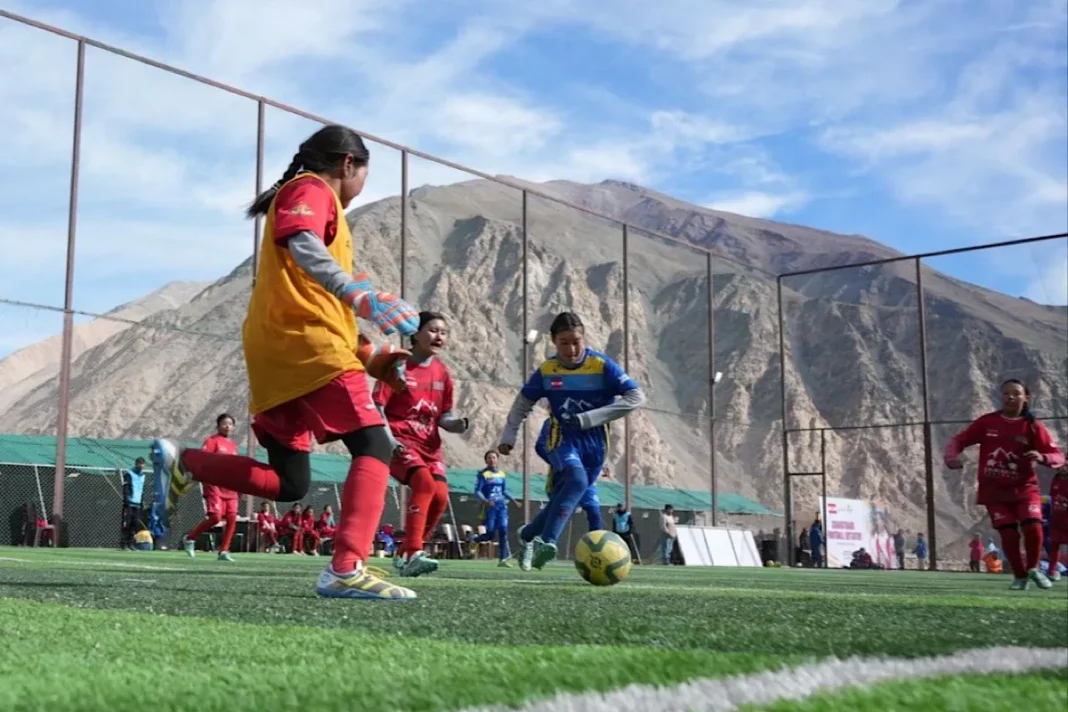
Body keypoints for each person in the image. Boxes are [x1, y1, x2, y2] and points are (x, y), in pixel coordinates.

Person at [149, 125, 421, 600]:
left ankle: (187, 462)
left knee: (291, 482)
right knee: (375, 446)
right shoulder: (310, 190)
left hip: (282, 350)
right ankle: (345, 569)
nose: (362, 188)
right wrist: (360, 294)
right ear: (348, 165)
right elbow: (303, 245)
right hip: (302, 344)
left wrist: (371, 356)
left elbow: (314, 299)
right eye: (364, 177)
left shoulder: (321, 205)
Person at [497, 311, 645, 570]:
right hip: (560, 436)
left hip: (597, 443)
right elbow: (522, 404)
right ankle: (547, 541)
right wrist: (509, 435)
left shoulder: (601, 366)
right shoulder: (547, 370)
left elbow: (636, 398)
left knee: (568, 494)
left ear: (584, 338)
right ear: (554, 341)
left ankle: (529, 534)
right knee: (576, 481)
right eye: (564, 342)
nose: (571, 348)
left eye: (576, 341)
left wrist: (590, 418)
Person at [944, 378, 1065, 590]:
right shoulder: (987, 423)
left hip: (1024, 489)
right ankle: (1020, 577)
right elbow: (959, 440)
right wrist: (952, 457)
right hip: (995, 493)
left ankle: (1033, 568)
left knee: (1033, 526)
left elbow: (1057, 456)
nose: (1010, 396)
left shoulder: (1033, 426)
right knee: (1008, 534)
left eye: (1016, 393)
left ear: (1026, 398)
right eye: (1006, 393)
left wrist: (1042, 456)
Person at [375, 311, 469, 578]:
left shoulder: (443, 372)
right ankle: (414, 551)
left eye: (443, 332)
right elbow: (377, 406)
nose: (439, 336)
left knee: (439, 498)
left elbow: (444, 417)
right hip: (401, 441)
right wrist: (389, 440)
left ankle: (406, 552)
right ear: (415, 334)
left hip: (430, 446)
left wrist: (456, 424)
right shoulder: (397, 366)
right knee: (424, 485)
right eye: (433, 330)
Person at [180, 413, 240, 561]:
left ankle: (224, 551)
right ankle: (190, 538)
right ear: (218, 425)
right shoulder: (212, 441)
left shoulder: (233, 445)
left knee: (232, 518)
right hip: (214, 484)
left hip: (230, 486)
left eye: (230, 424)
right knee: (215, 517)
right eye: (224, 423)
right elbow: (203, 459)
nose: (227, 426)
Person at [535, 416, 604, 533]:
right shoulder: (552, 422)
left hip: (587, 477)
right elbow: (540, 446)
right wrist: (560, 463)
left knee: (594, 514)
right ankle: (534, 537)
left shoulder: (588, 419)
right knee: (557, 513)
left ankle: (596, 548)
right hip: (563, 476)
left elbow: (595, 445)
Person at [472, 450, 519, 566]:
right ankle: (475, 540)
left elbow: (504, 490)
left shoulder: (502, 474)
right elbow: (477, 491)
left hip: (501, 506)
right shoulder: (483, 475)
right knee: (491, 534)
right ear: (486, 460)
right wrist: (485, 500)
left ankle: (502, 560)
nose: (491, 460)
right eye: (489, 458)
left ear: (497, 459)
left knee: (503, 531)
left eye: (493, 457)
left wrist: (514, 500)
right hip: (490, 507)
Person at [120, 458, 147, 551]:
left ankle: (131, 544)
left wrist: (142, 501)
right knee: (127, 524)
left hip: (138, 504)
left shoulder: (143, 475)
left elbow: (142, 490)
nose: (141, 466)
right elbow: (126, 488)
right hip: (129, 504)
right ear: (136, 464)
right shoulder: (129, 474)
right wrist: (127, 500)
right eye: (139, 464)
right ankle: (124, 544)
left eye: (142, 464)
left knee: (135, 524)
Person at [1047, 464, 1068, 582]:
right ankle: (1052, 571)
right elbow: (1052, 496)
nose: (1062, 467)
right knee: (1054, 545)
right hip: (1056, 519)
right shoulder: (1056, 478)